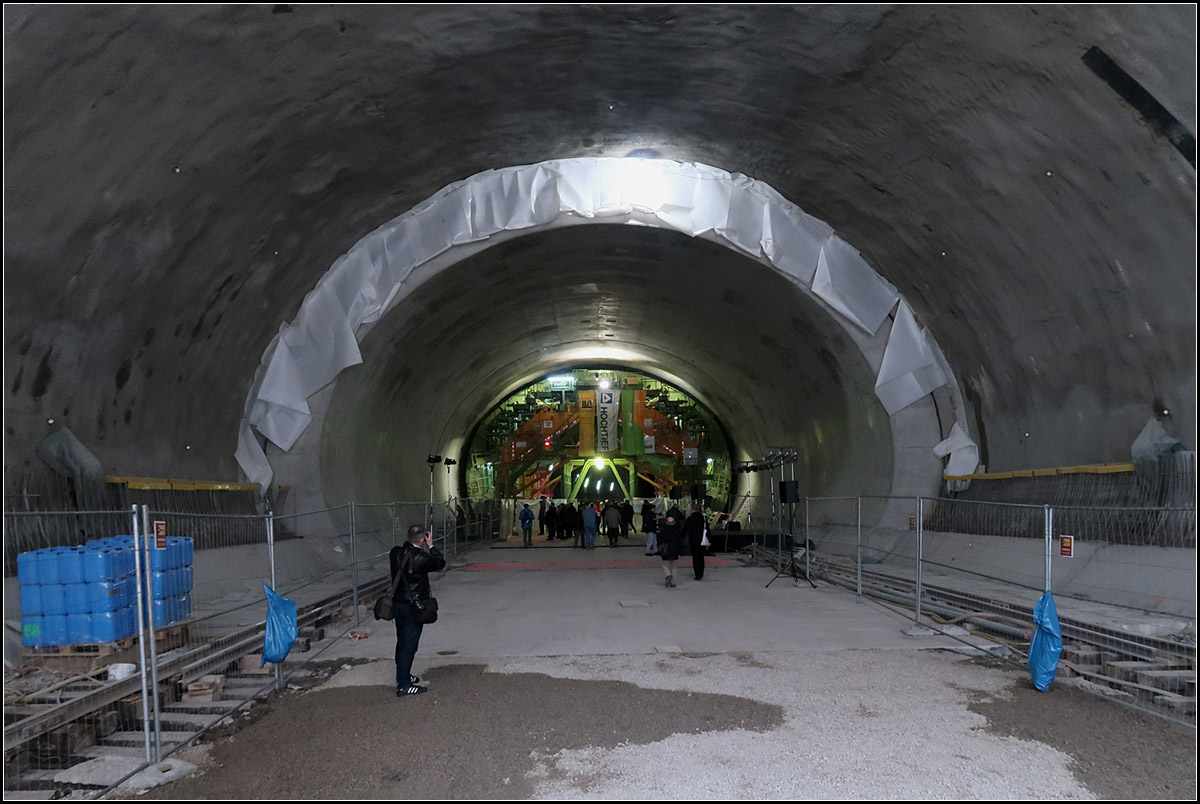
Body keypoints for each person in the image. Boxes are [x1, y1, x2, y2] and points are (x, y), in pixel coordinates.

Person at [390, 525, 446, 696]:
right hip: (413, 607)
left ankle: (403, 675)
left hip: (397, 604)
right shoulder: (420, 557)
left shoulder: (395, 553)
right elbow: (440, 563)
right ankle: (404, 685)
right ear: (422, 539)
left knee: (402, 641)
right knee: (409, 645)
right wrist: (431, 545)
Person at [658, 514, 683, 588]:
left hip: (666, 550)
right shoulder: (677, 532)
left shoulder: (663, 531)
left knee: (665, 565)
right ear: (674, 522)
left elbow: (659, 541)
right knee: (674, 566)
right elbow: (680, 542)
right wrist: (681, 552)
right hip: (675, 550)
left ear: (666, 522)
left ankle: (668, 575)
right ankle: (673, 582)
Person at [684, 503, 707, 580]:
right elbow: (707, 529)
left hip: (693, 540)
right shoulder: (703, 518)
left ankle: (697, 573)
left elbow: (685, 530)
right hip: (702, 540)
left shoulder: (690, 519)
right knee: (701, 557)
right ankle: (701, 572)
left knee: (695, 557)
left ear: (692, 510)